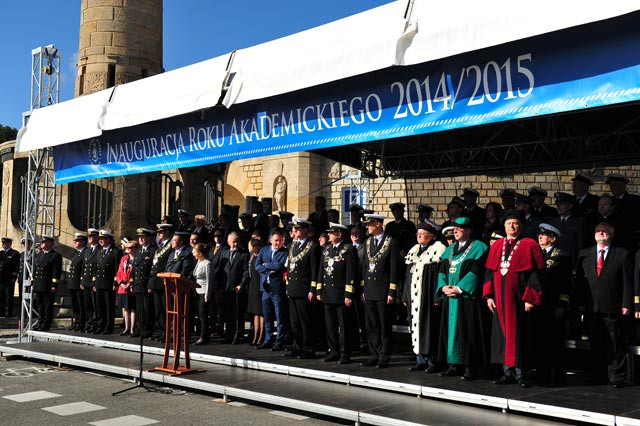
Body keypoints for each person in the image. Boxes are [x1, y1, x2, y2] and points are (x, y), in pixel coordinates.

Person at [483, 209, 545, 387]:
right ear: (504, 226)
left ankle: (521, 373)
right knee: (502, 337)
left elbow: (535, 275)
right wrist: (488, 296)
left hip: (518, 300)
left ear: (522, 226)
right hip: (499, 301)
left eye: (516, 223)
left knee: (519, 336)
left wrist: (529, 298)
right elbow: (489, 273)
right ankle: (507, 372)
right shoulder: (496, 245)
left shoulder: (529, 245)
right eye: (509, 223)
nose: (512, 226)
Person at [576, 222, 633, 387]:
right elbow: (580, 282)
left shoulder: (621, 254)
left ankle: (617, 377)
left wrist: (626, 303)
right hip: (591, 308)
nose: (601, 233)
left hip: (613, 307)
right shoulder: (585, 254)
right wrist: (579, 304)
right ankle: (598, 375)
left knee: (615, 344)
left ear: (611, 234)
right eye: (598, 231)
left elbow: (627, 282)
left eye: (605, 231)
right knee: (596, 343)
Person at [436, 217, 489, 380]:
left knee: (467, 330)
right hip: (450, 298)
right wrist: (443, 286)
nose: (456, 231)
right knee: (450, 330)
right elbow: (441, 270)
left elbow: (477, 271)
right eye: (455, 228)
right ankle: (453, 364)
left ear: (468, 230)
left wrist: (460, 288)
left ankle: (469, 366)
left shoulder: (479, 248)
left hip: (467, 299)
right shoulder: (450, 249)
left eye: (460, 228)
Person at [402, 223, 446, 373]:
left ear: (432, 235)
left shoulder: (438, 251)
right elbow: (407, 276)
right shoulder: (414, 251)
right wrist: (405, 295)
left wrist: (437, 297)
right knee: (415, 328)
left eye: (423, 233)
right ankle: (420, 359)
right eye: (418, 233)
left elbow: (440, 277)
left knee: (429, 327)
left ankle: (432, 360)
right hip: (413, 299)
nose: (419, 236)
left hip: (427, 298)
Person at [532, 223, 572, 386]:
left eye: (544, 235)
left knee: (555, 343)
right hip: (537, 305)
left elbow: (566, 282)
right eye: (539, 235)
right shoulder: (535, 255)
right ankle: (541, 376)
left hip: (554, 305)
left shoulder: (561, 256)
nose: (540, 237)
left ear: (553, 238)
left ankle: (557, 377)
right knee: (539, 342)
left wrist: (562, 305)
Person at [360, 213, 399, 369]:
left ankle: (384, 354)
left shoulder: (391, 242)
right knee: (371, 325)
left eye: (369, 224)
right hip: (370, 289)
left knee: (384, 324)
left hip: (383, 289)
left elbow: (394, 268)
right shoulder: (368, 242)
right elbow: (364, 266)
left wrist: (392, 291)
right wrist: (363, 288)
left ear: (377, 224)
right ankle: (373, 353)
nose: (366, 227)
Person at [316, 222, 358, 363]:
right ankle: (333, 351)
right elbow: (321, 271)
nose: (328, 235)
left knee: (344, 326)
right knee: (330, 325)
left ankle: (345, 353)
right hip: (328, 293)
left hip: (341, 294)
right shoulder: (327, 249)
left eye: (331, 233)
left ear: (339, 234)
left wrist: (348, 294)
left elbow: (351, 273)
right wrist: (319, 289)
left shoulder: (348, 249)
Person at [283, 218, 319, 359]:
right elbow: (290, 268)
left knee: (305, 321)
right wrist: (288, 286)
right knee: (295, 321)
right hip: (293, 288)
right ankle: (297, 346)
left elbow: (314, 270)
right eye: (294, 229)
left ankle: (308, 347)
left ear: (305, 230)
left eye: (297, 229)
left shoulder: (312, 247)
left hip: (304, 289)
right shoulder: (293, 245)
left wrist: (313, 289)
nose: (295, 231)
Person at [255, 230, 288, 350]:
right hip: (265, 288)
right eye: (276, 240)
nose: (278, 243)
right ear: (270, 240)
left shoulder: (284, 252)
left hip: (277, 288)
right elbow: (257, 266)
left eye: (280, 240)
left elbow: (280, 266)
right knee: (267, 316)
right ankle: (267, 339)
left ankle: (279, 341)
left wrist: (266, 265)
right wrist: (269, 268)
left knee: (279, 316)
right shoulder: (264, 250)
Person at [220, 232, 250, 344]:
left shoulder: (243, 254)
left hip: (238, 288)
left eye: (237, 241)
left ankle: (238, 335)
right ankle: (229, 335)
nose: (235, 244)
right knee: (228, 313)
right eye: (233, 242)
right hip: (226, 288)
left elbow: (246, 271)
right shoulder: (224, 254)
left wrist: (241, 284)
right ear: (228, 242)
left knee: (238, 313)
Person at [148, 223, 174, 341]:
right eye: (158, 232)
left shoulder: (170, 246)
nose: (159, 234)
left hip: (164, 282)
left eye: (161, 232)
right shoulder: (160, 245)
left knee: (165, 309)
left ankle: (168, 333)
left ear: (168, 232)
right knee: (158, 310)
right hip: (156, 281)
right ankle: (161, 331)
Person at [547, 192, 589, 265]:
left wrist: (577, 264)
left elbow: (580, 245)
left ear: (570, 206)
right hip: (553, 261)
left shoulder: (578, 223)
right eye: (557, 204)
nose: (558, 207)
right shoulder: (552, 222)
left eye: (561, 204)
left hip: (570, 261)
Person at [94, 230, 122, 335]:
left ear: (108, 239)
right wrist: (95, 283)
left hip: (109, 283)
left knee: (108, 306)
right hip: (99, 283)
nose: (100, 241)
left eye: (103, 239)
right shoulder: (99, 251)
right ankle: (100, 325)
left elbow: (116, 269)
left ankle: (108, 327)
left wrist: (115, 283)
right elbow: (96, 268)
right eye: (100, 239)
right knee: (99, 306)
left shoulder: (115, 251)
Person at [31, 236, 62, 331]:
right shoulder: (39, 255)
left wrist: (54, 285)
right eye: (42, 242)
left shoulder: (55, 255)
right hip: (39, 284)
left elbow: (56, 272)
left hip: (47, 284)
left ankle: (46, 323)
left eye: (44, 242)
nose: (42, 243)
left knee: (47, 305)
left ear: (50, 243)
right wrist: (33, 283)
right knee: (40, 305)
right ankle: (40, 321)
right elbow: (35, 270)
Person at [131, 228, 157, 338]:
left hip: (146, 283)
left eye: (143, 237)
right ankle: (140, 328)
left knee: (148, 309)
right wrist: (132, 283)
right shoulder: (137, 251)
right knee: (139, 308)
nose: (141, 239)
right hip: (137, 284)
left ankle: (147, 329)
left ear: (148, 238)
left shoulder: (153, 250)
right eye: (139, 237)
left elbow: (153, 269)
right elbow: (133, 269)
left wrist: (151, 284)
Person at [80, 228, 100, 333]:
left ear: (97, 237)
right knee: (87, 304)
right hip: (86, 281)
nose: (89, 238)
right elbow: (84, 266)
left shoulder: (99, 250)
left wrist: (94, 282)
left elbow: (97, 267)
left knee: (95, 304)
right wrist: (82, 280)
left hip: (93, 281)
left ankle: (94, 323)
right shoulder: (87, 251)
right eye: (89, 236)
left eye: (91, 236)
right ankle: (89, 322)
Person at [66, 233, 87, 330]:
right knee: (75, 304)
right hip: (73, 282)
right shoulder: (76, 253)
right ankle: (76, 321)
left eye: (77, 241)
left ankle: (82, 322)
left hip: (79, 282)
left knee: (81, 303)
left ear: (83, 242)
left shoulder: (85, 252)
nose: (75, 242)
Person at [191, 243, 211, 345]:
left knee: (203, 315)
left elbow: (209, 280)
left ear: (199, 253)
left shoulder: (207, 263)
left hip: (204, 292)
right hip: (197, 291)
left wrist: (207, 295)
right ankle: (200, 333)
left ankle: (204, 336)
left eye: (194, 251)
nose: (192, 253)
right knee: (199, 314)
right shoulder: (198, 262)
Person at [116, 240, 137, 336]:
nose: (128, 249)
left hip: (132, 287)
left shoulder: (137, 259)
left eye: (130, 248)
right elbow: (119, 272)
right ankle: (126, 328)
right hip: (123, 287)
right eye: (127, 247)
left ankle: (132, 328)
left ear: (135, 248)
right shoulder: (124, 258)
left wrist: (130, 283)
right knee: (125, 308)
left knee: (132, 308)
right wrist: (120, 283)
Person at [247, 238, 265, 345]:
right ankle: (255, 336)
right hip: (253, 286)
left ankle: (261, 337)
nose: (248, 247)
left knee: (261, 313)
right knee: (255, 313)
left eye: (250, 245)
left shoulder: (261, 257)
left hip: (260, 286)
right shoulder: (252, 257)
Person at [0, 237, 20, 318]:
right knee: (1, 296)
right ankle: (1, 312)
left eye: (5, 243)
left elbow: (16, 266)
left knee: (8, 296)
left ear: (9, 244)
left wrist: (13, 277)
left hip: (9, 279)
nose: (3, 244)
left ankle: (8, 313)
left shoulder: (14, 253)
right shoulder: (0, 253)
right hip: (0, 279)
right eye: (3, 243)